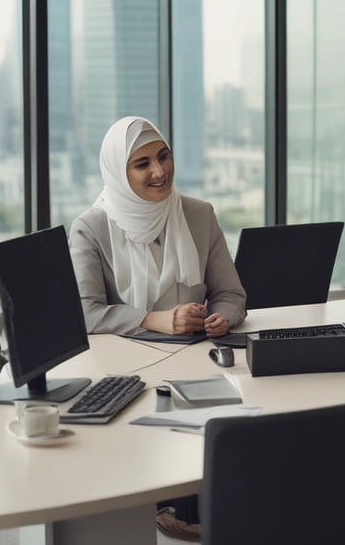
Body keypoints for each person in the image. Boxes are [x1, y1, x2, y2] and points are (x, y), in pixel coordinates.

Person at [69, 115, 247, 541]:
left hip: (195, 360)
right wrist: (155, 319)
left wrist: (223, 316)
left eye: (163, 156)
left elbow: (232, 293)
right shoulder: (91, 228)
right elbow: (84, 311)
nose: (159, 171)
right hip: (122, 369)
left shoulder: (199, 214)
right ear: (118, 171)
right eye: (142, 163)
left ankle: (196, 506)